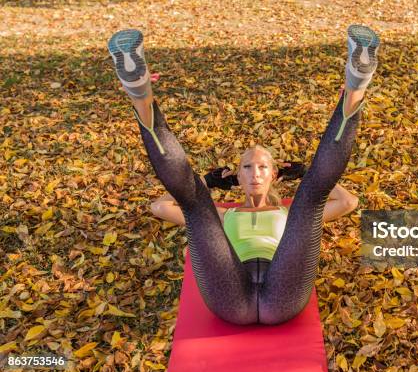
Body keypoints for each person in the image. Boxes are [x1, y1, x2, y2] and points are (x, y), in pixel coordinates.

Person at [107, 25, 380, 325]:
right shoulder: (224, 217)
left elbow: (348, 202)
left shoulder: (289, 212)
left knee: (312, 196)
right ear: (235, 177)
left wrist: (303, 174)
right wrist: (206, 183)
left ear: (275, 175)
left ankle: (356, 86)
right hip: (231, 294)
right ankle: (139, 90)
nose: (255, 173)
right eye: (247, 167)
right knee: (196, 204)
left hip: (283, 291)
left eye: (263, 167)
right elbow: (160, 207)